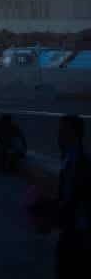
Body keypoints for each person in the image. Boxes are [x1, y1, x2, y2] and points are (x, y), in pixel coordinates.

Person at [54, 114, 91, 278]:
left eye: (63, 132)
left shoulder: (80, 164)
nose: (59, 136)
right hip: (72, 230)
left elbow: (75, 200)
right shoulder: (69, 160)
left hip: (78, 234)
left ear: (74, 134)